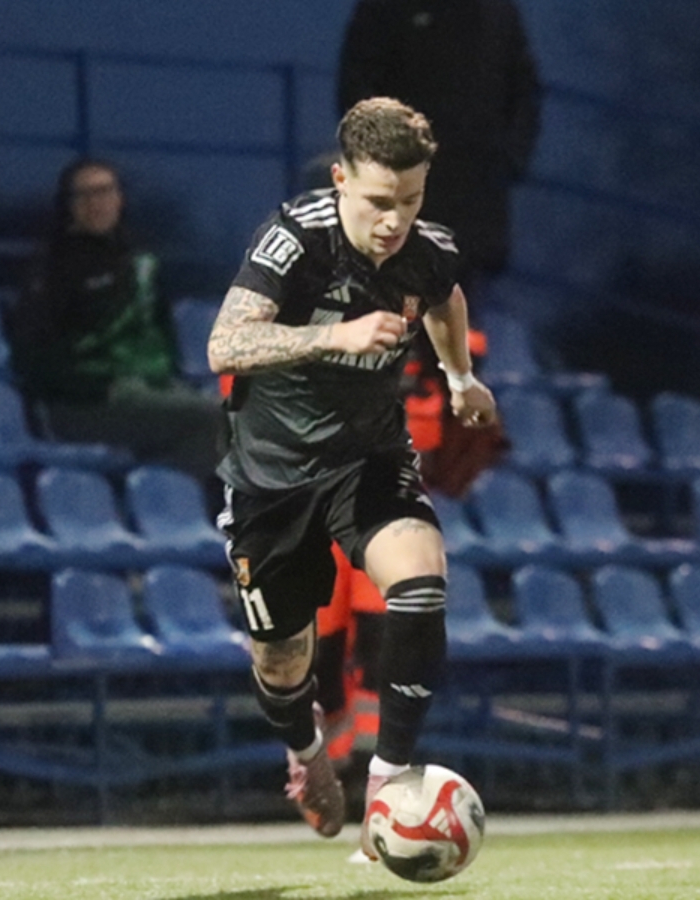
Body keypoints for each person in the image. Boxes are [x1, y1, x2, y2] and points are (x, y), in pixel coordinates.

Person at [208, 97, 500, 856]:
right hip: (272, 476)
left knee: (422, 580)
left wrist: (459, 376)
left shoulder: (425, 248)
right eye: (378, 201)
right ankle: (306, 753)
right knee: (282, 662)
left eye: (411, 199)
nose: (394, 220)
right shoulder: (294, 240)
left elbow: (444, 295)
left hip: (368, 457)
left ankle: (388, 785)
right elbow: (224, 344)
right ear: (341, 179)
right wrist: (335, 334)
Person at [8, 157, 224, 480]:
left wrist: (165, 374)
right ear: (69, 205)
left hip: (149, 388)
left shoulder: (140, 260)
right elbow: (33, 352)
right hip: (84, 402)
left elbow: (159, 332)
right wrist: (89, 385)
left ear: (119, 199)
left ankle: (147, 489)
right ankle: (141, 491)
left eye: (105, 192)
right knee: (217, 418)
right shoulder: (53, 268)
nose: (97, 203)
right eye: (85, 195)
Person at [338, 0, 541, 299]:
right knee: (408, 291)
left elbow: (523, 88)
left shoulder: (496, 10)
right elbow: (357, 84)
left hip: (473, 190)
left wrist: (511, 158)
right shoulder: (387, 8)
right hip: (410, 188)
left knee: (457, 292)